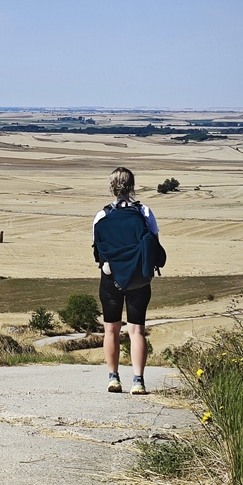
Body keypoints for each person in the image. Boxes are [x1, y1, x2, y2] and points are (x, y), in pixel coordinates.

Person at [92, 167, 161, 395]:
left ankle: (113, 379)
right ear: (132, 186)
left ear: (111, 186)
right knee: (136, 331)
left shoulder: (102, 216)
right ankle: (138, 381)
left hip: (110, 279)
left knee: (110, 330)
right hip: (139, 279)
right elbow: (155, 247)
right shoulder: (144, 212)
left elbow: (97, 254)